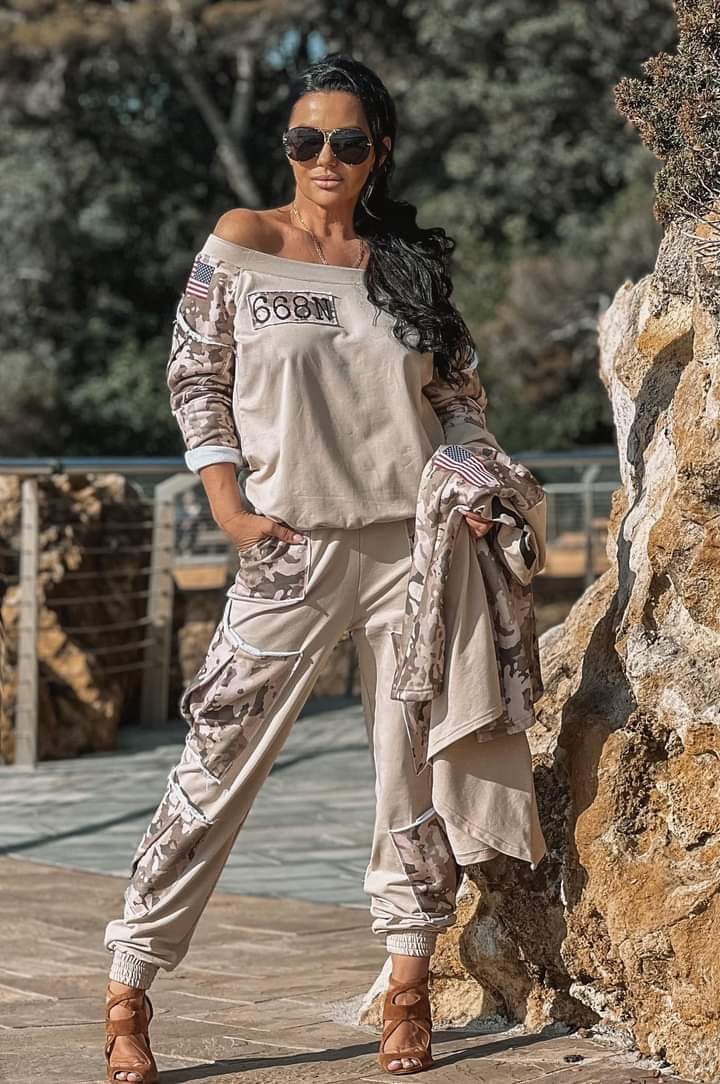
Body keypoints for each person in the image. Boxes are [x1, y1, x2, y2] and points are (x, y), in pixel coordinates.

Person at [103, 52, 510, 1081]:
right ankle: (130, 982)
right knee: (215, 763)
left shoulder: (405, 268)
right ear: (286, 147)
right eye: (305, 139)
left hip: (412, 552)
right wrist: (228, 506)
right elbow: (196, 376)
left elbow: (459, 399)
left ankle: (408, 985)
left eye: (347, 141)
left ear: (380, 151)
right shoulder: (243, 241)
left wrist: (469, 479)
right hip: (287, 548)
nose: (324, 157)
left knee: (408, 773)